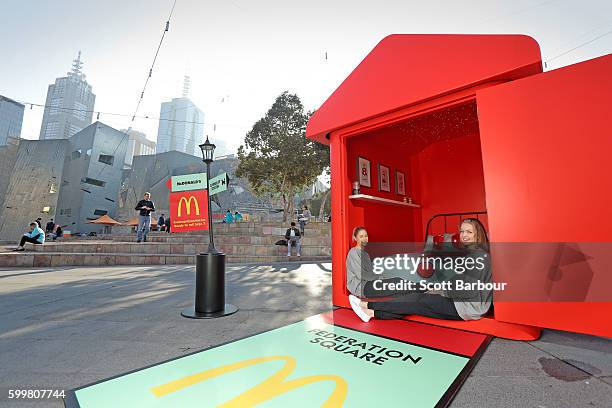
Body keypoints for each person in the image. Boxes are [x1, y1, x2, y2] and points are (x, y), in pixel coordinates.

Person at [348, 218, 492, 323]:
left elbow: (468, 290)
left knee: (417, 299)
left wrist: (442, 290)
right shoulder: (474, 253)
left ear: (478, 234)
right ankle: (372, 313)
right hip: (465, 303)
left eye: (469, 232)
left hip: (466, 307)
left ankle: (366, 305)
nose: (464, 235)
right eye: (462, 231)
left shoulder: (477, 257)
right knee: (416, 302)